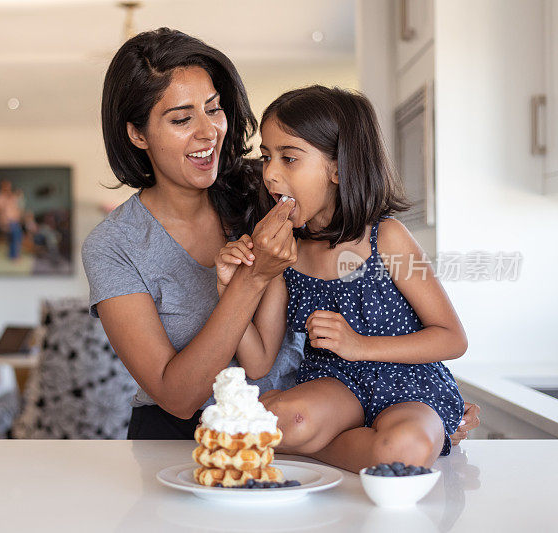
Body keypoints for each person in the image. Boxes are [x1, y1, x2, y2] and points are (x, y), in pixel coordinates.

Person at [81, 28, 479, 454]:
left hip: (309, 425)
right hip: (186, 439)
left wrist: (420, 408)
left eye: (213, 109)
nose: (208, 132)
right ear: (137, 135)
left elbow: (411, 311)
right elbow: (178, 398)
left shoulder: (267, 195)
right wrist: (249, 281)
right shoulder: (113, 246)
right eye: (181, 119)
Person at [217, 85, 466, 472]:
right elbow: (259, 362)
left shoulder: (388, 238)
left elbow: (452, 338)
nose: (270, 174)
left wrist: (358, 345)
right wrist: (229, 287)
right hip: (334, 383)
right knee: (275, 419)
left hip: (408, 385)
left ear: (337, 166)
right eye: (267, 158)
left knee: (406, 448)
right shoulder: (288, 252)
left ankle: (305, 448)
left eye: (289, 158)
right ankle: (318, 444)